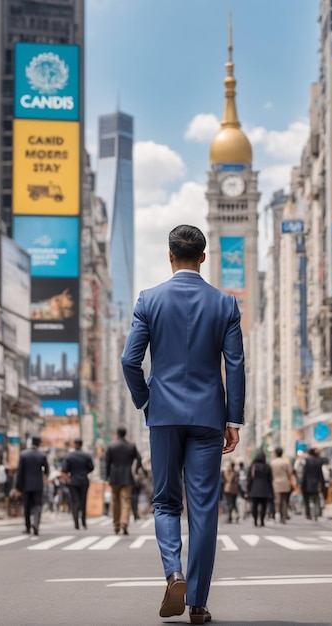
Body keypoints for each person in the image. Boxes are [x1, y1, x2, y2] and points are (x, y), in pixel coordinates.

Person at [121, 225, 245, 625]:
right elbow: (235, 365)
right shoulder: (225, 303)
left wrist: (146, 399)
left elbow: (129, 360)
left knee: (165, 501)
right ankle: (198, 603)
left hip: (164, 414)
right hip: (209, 418)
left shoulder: (148, 300)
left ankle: (173, 572)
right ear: (203, 258)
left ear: (170, 256)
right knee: (204, 509)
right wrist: (233, 419)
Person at [105, 427, 144, 536]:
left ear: (117, 433)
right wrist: (136, 469)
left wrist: (107, 476)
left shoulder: (112, 446)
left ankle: (116, 525)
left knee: (115, 501)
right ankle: (124, 523)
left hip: (114, 476)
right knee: (126, 501)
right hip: (127, 476)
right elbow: (139, 458)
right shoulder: (131, 446)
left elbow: (107, 463)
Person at [15, 435, 49, 536]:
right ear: (39, 443)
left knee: (27, 506)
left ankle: (28, 526)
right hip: (38, 485)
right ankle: (36, 524)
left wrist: (18, 486)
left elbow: (20, 472)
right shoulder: (42, 455)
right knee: (38, 505)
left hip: (26, 485)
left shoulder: (24, 454)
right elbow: (46, 471)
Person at [61, 438, 94, 530]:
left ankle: (76, 523)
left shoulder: (69, 456)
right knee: (83, 501)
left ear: (75, 444)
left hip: (73, 481)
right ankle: (83, 522)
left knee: (74, 501)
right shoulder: (86, 456)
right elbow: (91, 467)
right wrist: (84, 472)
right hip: (84, 480)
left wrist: (72, 473)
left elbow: (64, 469)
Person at [247, 449, 273, 527]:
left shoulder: (253, 466)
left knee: (254, 506)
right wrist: (271, 491)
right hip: (265, 489)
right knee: (264, 506)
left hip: (254, 489)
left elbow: (249, 478)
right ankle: (262, 521)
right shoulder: (267, 466)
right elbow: (270, 479)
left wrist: (248, 489)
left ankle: (255, 521)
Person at [270, 447, 294, 524]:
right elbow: (290, 473)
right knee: (284, 501)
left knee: (277, 501)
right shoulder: (286, 462)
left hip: (276, 483)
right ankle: (284, 517)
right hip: (285, 483)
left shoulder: (272, 463)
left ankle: (277, 515)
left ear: (276, 453)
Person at [301, 448, 325, 521]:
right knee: (316, 498)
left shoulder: (307, 460)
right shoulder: (319, 461)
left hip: (307, 482)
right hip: (316, 482)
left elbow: (304, 473)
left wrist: (302, 482)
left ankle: (308, 514)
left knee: (307, 500)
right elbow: (320, 473)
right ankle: (317, 513)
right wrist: (322, 482)